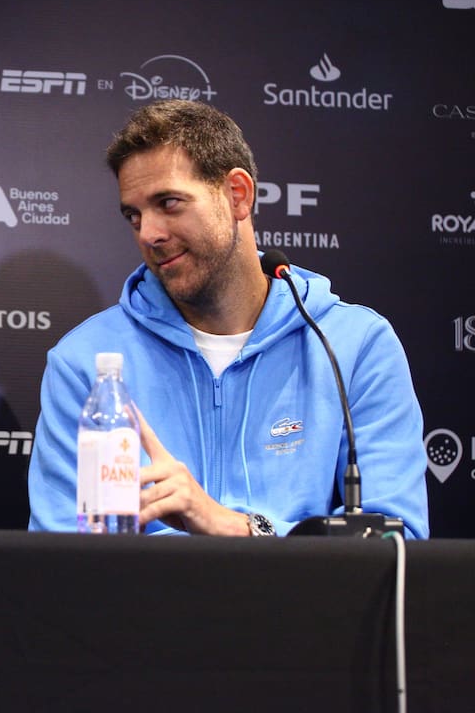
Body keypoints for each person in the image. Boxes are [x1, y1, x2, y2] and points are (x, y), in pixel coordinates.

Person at [28, 101, 428, 537]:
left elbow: (396, 544)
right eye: (134, 215)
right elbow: (62, 559)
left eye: (169, 202)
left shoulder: (355, 346)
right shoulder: (85, 363)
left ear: (237, 195)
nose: (148, 233)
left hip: (305, 609)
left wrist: (238, 529)